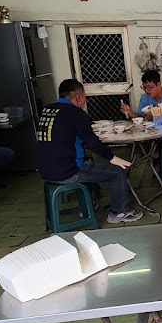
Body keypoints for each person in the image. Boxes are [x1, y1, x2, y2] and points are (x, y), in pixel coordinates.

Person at [38, 79, 141, 224]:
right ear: (79, 97)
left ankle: (88, 204)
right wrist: (112, 157)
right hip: (67, 172)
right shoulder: (76, 114)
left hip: (45, 170)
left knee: (89, 162)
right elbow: (92, 142)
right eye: (85, 97)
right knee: (117, 171)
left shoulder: (47, 110)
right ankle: (119, 213)